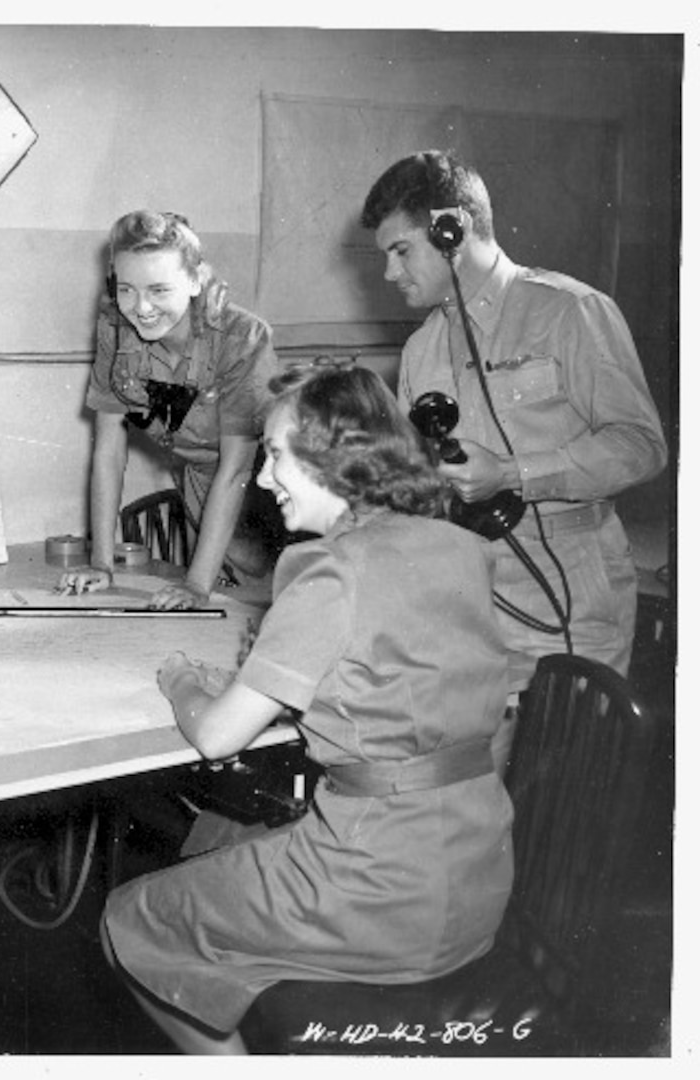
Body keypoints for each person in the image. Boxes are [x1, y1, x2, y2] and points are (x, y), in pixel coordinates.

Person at [102, 364, 514, 1055]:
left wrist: (179, 680)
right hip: (476, 883)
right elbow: (398, 690)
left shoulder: (327, 570)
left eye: (276, 455)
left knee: (133, 918)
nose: (264, 480)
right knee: (223, 843)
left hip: (379, 891)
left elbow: (216, 736)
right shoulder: (462, 549)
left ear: (334, 457)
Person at [360, 150, 666, 713]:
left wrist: (511, 474)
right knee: (478, 791)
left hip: (569, 598)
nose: (389, 274)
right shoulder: (420, 349)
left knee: (559, 791)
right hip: (465, 603)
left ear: (454, 229)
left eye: (402, 251)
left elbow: (643, 447)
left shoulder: (569, 313)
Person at [59, 210, 283, 609]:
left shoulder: (242, 338)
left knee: (275, 585)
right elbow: (108, 451)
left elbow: (236, 471)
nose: (140, 307)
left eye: (159, 290)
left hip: (274, 484)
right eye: (126, 288)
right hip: (203, 481)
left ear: (196, 280)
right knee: (230, 599)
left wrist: (196, 586)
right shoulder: (115, 325)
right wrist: (101, 564)